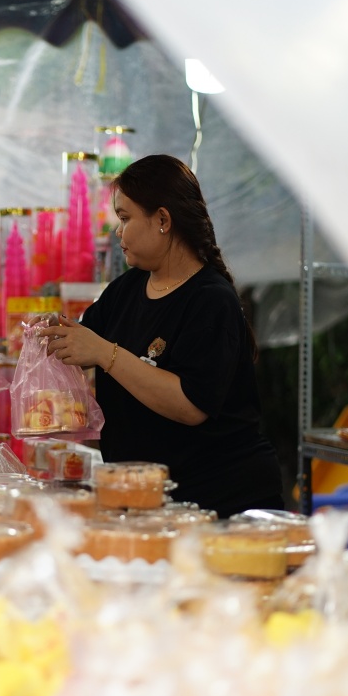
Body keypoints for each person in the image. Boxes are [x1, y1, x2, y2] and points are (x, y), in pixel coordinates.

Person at [39, 154, 284, 518]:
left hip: (217, 504)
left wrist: (106, 353)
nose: (117, 232)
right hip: (147, 502)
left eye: (125, 219)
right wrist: (55, 337)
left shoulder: (210, 300)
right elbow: (85, 343)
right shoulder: (126, 290)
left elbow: (191, 405)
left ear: (163, 220)